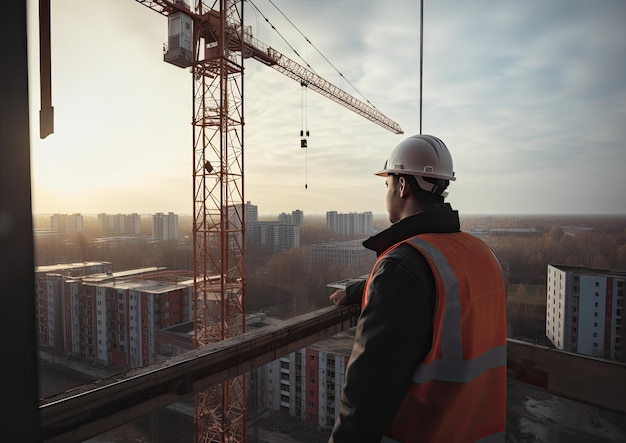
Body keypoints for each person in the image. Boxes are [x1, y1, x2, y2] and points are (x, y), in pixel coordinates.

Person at [328, 134, 508, 443]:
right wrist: (364, 288)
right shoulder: (481, 254)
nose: (387, 194)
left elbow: (366, 400)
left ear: (402, 186)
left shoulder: (402, 268)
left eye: (387, 185)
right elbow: (437, 296)